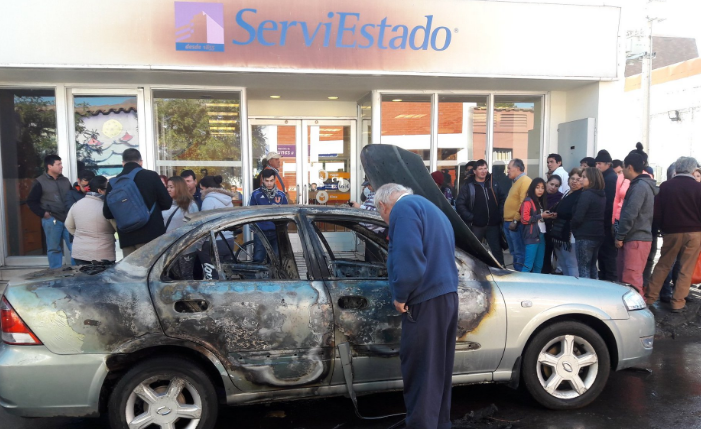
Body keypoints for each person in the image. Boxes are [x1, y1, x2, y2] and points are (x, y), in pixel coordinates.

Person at [375, 183, 458, 429]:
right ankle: (439, 423)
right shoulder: (431, 208)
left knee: (421, 371)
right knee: (438, 370)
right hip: (446, 296)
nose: (387, 221)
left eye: (382, 216)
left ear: (383, 205)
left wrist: (400, 295)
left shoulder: (403, 209)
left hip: (424, 300)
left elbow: (408, 256)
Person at [645, 157, 701, 313]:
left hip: (671, 232)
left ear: (677, 169)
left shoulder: (666, 186)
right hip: (695, 233)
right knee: (686, 268)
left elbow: (657, 213)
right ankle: (677, 303)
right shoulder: (698, 187)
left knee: (663, 265)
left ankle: (649, 298)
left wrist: (661, 228)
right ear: (692, 169)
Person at [103, 149, 172, 257]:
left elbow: (107, 213)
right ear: (141, 162)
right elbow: (167, 203)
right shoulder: (151, 176)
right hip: (152, 235)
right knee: (151, 271)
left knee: (130, 272)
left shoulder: (113, 182)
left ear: (123, 163)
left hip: (127, 238)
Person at [614, 153, 658, 295]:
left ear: (630, 167)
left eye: (623, 169)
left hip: (636, 239)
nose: (622, 172)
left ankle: (638, 313)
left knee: (631, 281)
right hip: (636, 238)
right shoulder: (641, 185)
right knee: (627, 278)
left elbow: (630, 214)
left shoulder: (639, 186)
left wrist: (620, 236)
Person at [455, 159, 506, 266]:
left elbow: (502, 198)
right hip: (476, 225)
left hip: (493, 225)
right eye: (480, 169)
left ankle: (501, 271)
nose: (483, 171)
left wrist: (499, 213)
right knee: (473, 251)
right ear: (474, 171)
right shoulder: (468, 186)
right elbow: (460, 204)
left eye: (485, 168)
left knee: (497, 251)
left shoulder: (493, 183)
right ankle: (474, 271)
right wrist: (471, 217)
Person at [26, 154, 73, 269]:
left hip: (68, 219)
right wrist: (44, 214)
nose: (61, 166)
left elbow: (72, 197)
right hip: (52, 220)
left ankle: (78, 273)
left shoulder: (65, 180)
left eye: (61, 164)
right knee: (54, 249)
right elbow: (31, 201)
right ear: (49, 166)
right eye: (59, 164)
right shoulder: (39, 181)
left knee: (75, 247)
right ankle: (55, 275)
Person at [64, 176, 117, 265]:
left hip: (80, 253)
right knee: (102, 278)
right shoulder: (105, 207)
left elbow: (68, 225)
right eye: (107, 189)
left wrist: (81, 236)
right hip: (102, 253)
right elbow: (117, 226)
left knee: (83, 278)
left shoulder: (77, 204)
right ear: (100, 191)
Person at [571, 167, 606, 279]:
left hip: (585, 235)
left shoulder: (586, 194)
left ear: (591, 179)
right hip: (597, 234)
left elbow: (578, 216)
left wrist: (573, 228)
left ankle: (585, 293)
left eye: (584, 177)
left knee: (584, 268)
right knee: (592, 267)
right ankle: (594, 293)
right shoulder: (601, 195)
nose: (581, 179)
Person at [249, 169, 289, 263]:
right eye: (267, 181)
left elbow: (287, 213)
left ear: (275, 180)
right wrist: (254, 228)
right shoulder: (255, 194)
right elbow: (250, 212)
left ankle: (273, 278)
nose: (269, 183)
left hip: (276, 232)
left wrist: (283, 228)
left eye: (271, 180)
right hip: (260, 232)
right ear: (262, 180)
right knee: (258, 259)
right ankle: (258, 278)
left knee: (275, 261)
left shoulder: (281, 195)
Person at [551, 169, 583, 276]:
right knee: (562, 262)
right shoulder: (566, 192)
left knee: (571, 263)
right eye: (572, 179)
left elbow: (572, 213)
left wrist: (559, 214)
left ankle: (574, 288)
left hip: (570, 235)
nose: (574, 182)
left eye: (578, 179)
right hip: (559, 233)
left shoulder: (581, 195)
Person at [503, 159, 532, 271]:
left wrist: (515, 220)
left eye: (509, 168)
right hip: (509, 221)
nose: (507, 171)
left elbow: (523, 203)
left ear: (518, 168)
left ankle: (520, 276)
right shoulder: (516, 182)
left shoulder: (525, 181)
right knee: (514, 252)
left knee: (519, 252)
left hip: (516, 223)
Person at [520, 178, 554, 273]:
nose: (540, 190)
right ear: (532, 188)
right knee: (528, 265)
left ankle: (535, 286)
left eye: (543, 188)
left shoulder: (540, 201)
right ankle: (523, 286)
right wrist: (541, 216)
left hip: (541, 235)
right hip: (532, 236)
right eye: (537, 187)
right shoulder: (528, 201)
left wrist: (549, 216)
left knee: (539, 265)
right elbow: (524, 219)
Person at [595, 149, 619, 281]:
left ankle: (610, 282)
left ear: (608, 164)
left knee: (608, 256)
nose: (597, 166)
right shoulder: (606, 177)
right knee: (603, 256)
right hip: (604, 223)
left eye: (600, 163)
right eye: (596, 163)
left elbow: (609, 203)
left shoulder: (610, 179)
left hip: (606, 223)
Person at [543, 175, 563, 274]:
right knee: (544, 255)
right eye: (551, 184)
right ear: (547, 183)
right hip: (541, 229)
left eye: (556, 186)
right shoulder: (540, 195)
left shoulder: (561, 197)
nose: (553, 187)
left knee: (558, 255)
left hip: (555, 230)